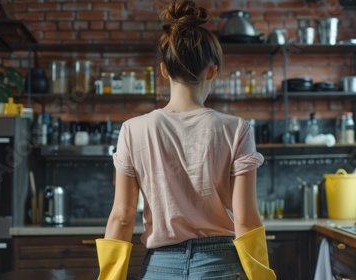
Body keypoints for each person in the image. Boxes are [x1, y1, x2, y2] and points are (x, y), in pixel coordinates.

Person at [96, 0, 276, 279]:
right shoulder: (237, 129)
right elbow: (245, 220)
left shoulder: (132, 130)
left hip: (159, 267)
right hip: (221, 264)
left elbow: (122, 217)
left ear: (164, 70)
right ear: (212, 71)